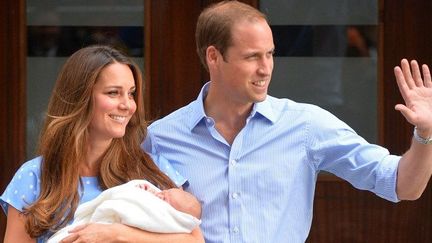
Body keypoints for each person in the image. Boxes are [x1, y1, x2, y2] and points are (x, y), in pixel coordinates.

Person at [141, 1, 432, 242]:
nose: (265, 68)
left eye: (270, 54)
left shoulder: (306, 126)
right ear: (214, 57)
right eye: (252, 56)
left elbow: (402, 185)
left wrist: (425, 133)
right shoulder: (161, 137)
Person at [1, 45, 204, 243]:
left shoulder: (152, 169)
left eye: (131, 93)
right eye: (113, 93)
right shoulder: (34, 176)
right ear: (80, 98)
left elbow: (194, 240)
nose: (127, 105)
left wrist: (116, 234)